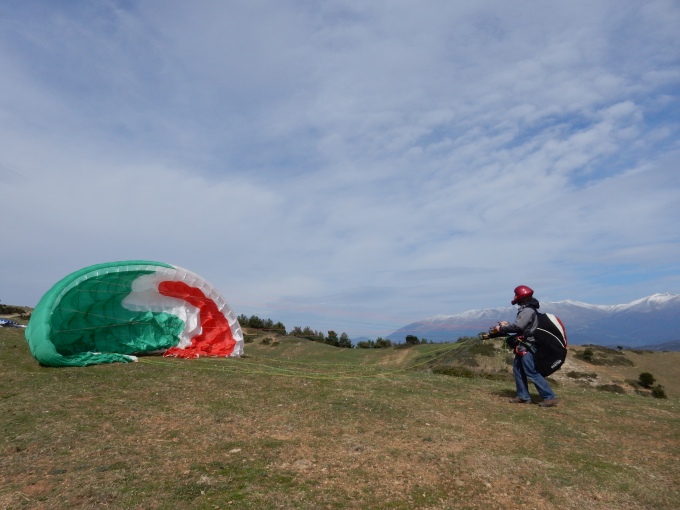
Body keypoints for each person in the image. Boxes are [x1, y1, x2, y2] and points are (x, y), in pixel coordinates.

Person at [494, 285, 559, 407]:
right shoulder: (528, 309)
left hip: (527, 346)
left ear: (521, 296)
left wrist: (501, 328)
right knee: (518, 369)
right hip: (522, 345)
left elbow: (518, 327)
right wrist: (506, 325)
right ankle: (523, 396)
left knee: (530, 371)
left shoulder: (527, 310)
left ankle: (549, 397)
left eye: (515, 295)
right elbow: (522, 326)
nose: (514, 297)